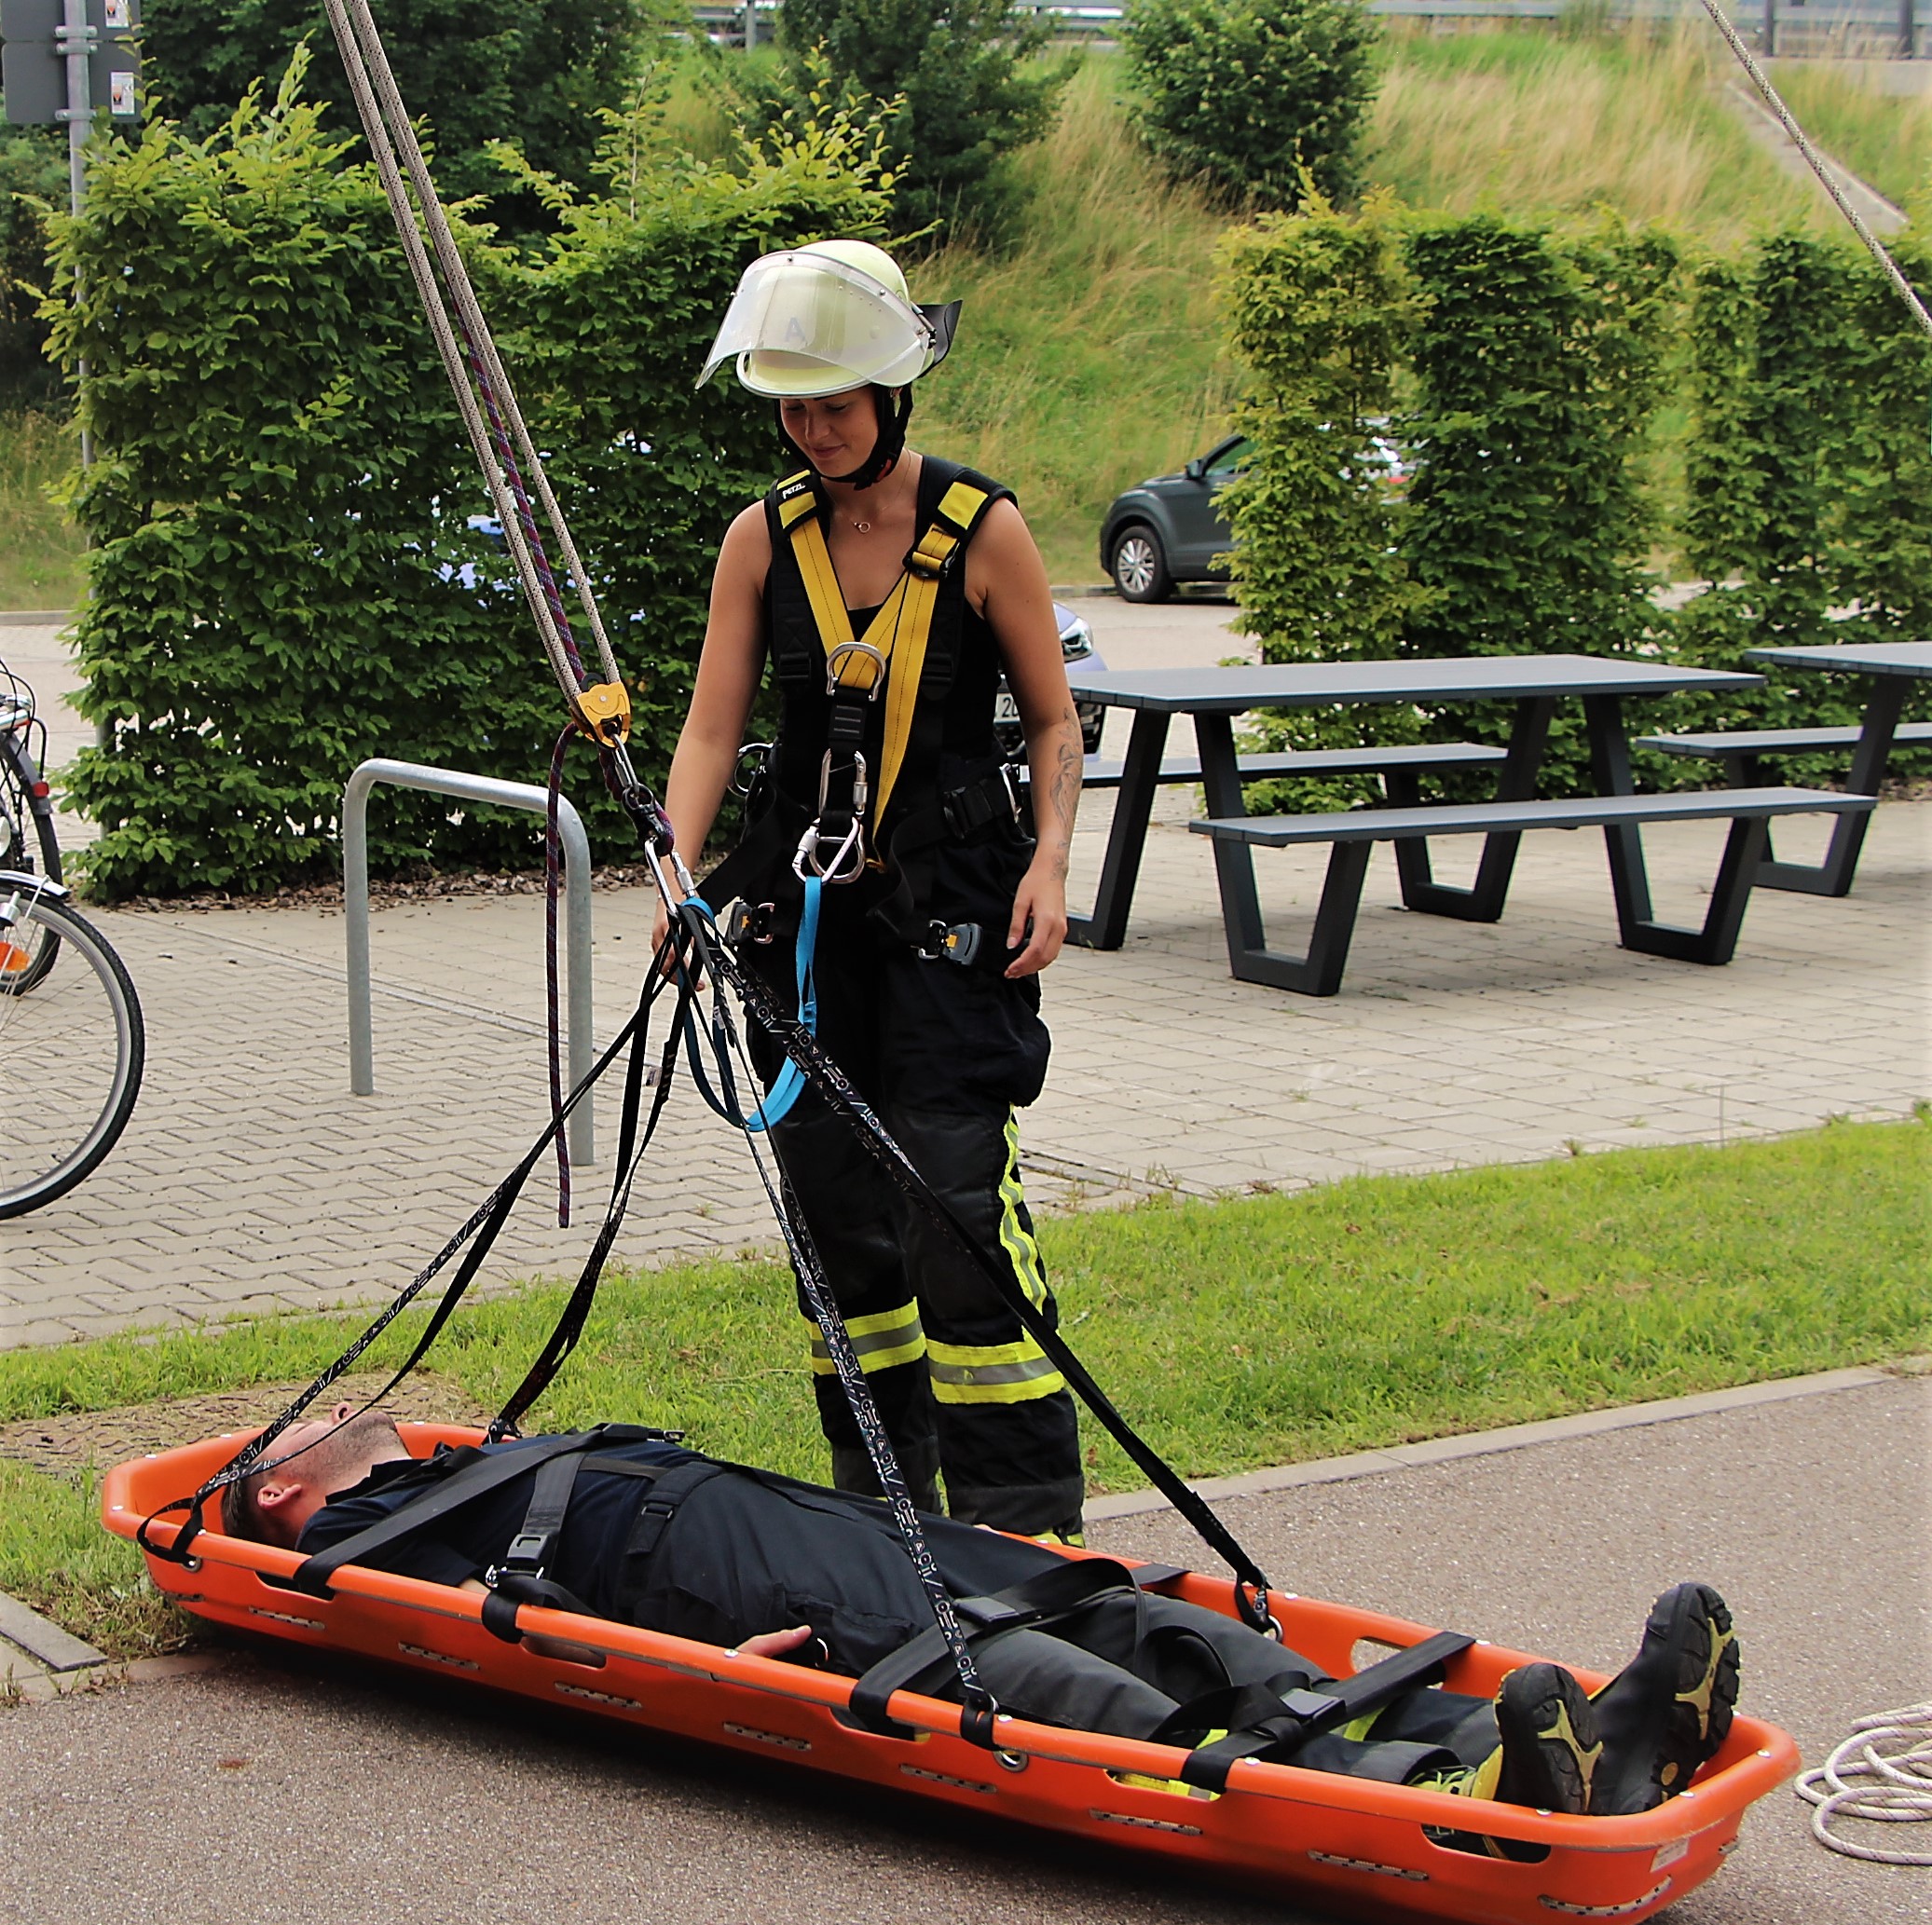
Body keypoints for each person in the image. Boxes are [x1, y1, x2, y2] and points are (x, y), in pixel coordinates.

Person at [226, 1403, 1742, 1823]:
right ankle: (1450, 1791)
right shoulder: (353, 1532)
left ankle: (1574, 1738)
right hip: (753, 1590)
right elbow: (505, 1627)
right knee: (1056, 1683)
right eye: (288, 1434)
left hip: (845, 1529)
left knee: (1136, 1616)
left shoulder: (466, 1457)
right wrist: (705, 1671)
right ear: (284, 1489)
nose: (323, 1411)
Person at [655, 239, 1089, 1542]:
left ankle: (1022, 1528)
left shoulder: (981, 530)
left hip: (951, 922)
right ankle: (882, 1517)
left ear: (893, 392)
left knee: (953, 1204)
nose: (813, 431)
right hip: (804, 930)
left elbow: (1054, 723)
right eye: (792, 408)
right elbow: (710, 730)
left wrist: (1052, 862)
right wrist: (676, 877)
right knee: (836, 1214)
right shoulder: (761, 539)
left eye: (834, 405)